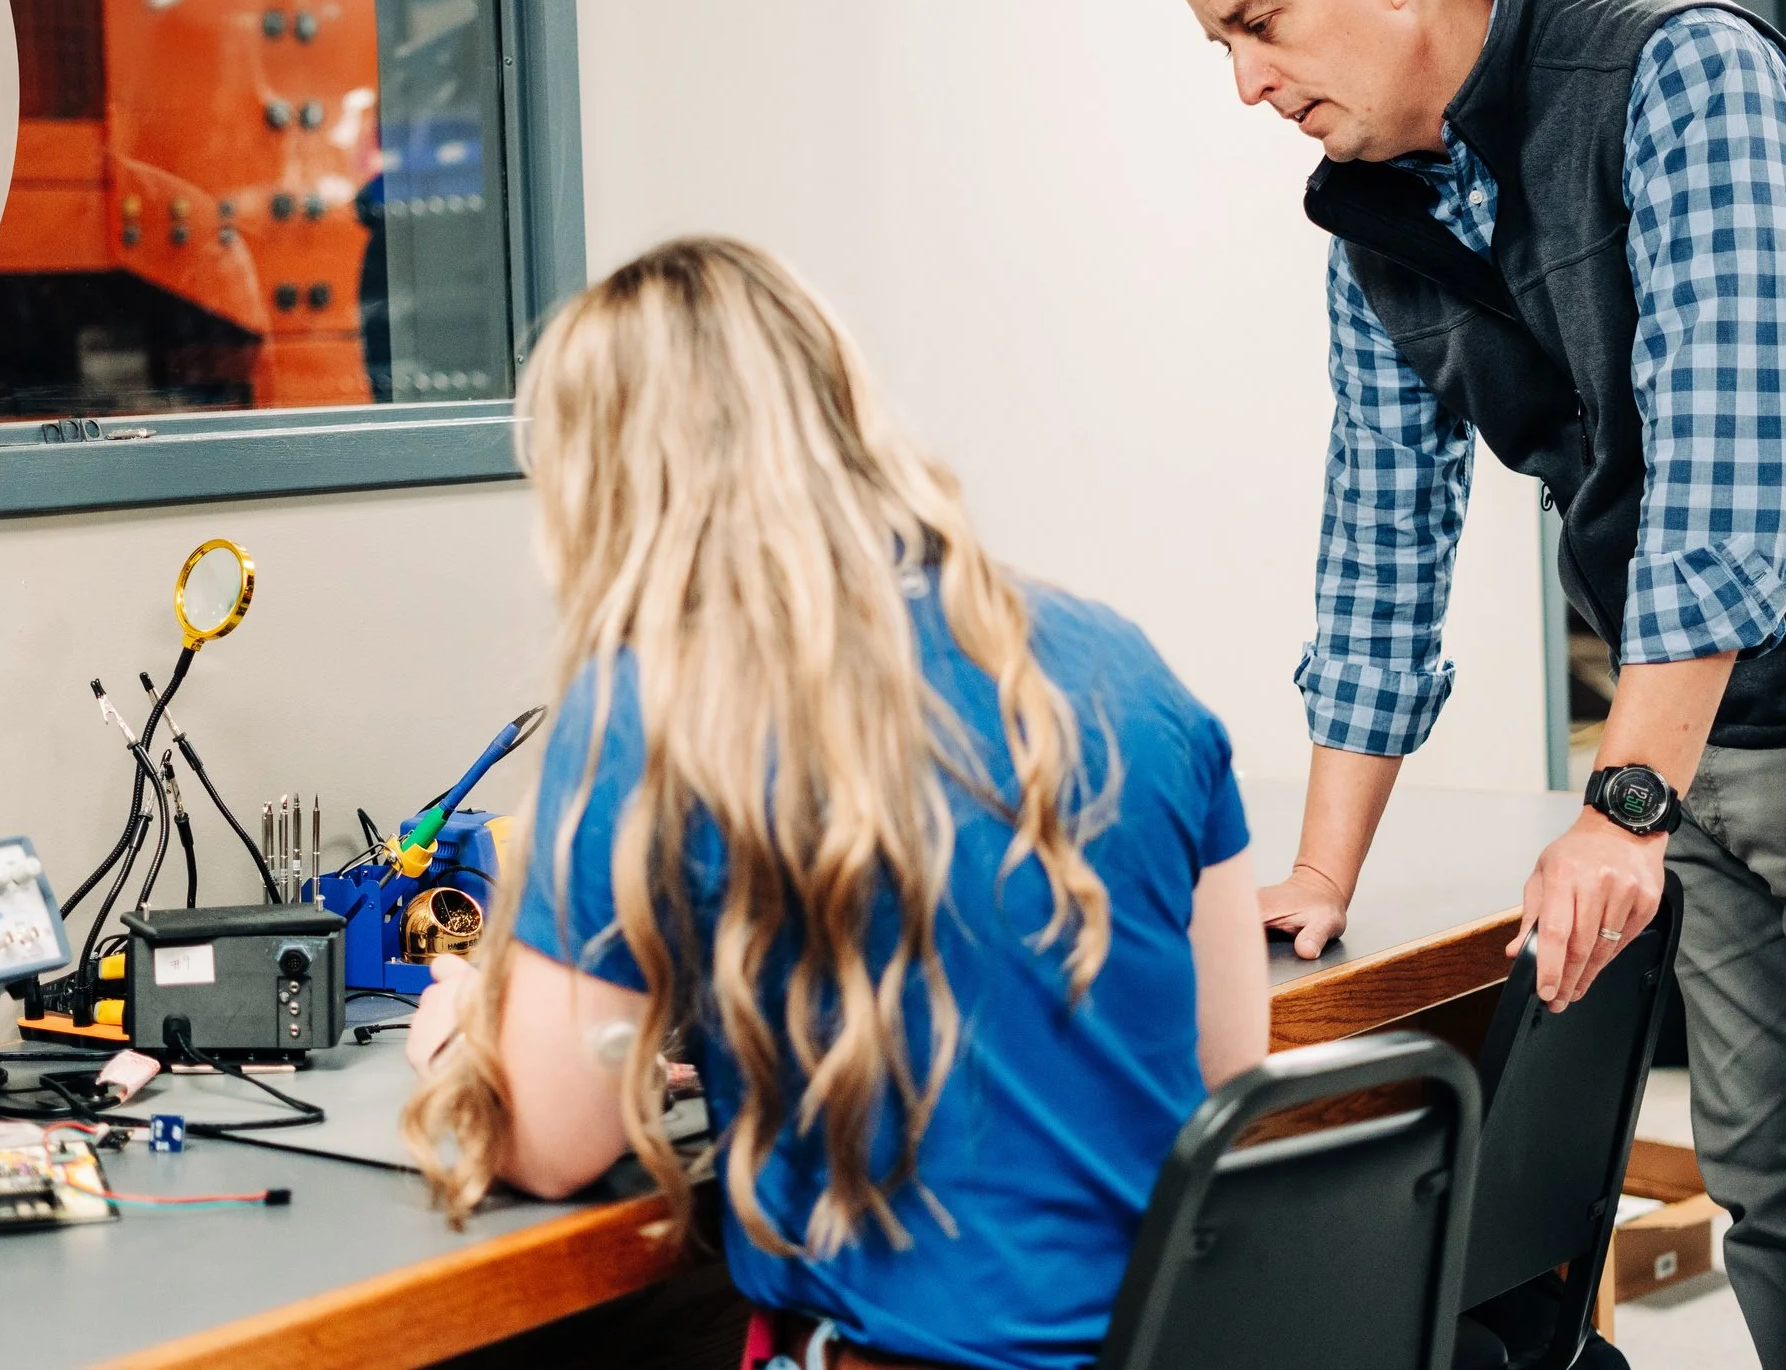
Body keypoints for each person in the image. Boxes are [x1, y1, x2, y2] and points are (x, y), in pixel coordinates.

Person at [1151, 0, 1786, 1370]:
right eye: (1220, 46)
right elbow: (1381, 533)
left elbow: (1725, 457)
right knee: (1767, 1186)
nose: (1244, 83)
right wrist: (1319, 867)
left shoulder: (1675, 71)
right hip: (1704, 723)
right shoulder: (1376, 221)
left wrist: (1625, 802)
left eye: (1257, 24)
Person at [400, 236, 1269, 1370]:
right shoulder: (1117, 660)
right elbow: (1223, 1067)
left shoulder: (652, 709)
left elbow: (556, 1144)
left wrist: (462, 1031)